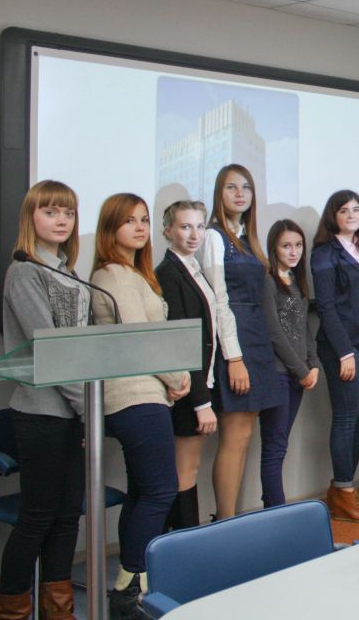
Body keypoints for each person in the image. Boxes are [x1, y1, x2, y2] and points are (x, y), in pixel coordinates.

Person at [90, 193, 190, 620]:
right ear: (110, 227)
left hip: (147, 392)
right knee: (161, 490)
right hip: (134, 395)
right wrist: (176, 378)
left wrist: (171, 379)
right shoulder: (114, 274)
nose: (139, 227)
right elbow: (139, 338)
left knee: (144, 491)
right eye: (129, 220)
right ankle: (128, 585)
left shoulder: (134, 273)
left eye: (144, 220)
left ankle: (131, 583)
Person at [0, 181, 88, 620]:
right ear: (31, 218)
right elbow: (50, 347)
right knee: (38, 516)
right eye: (51, 212)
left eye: (68, 212)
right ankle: (11, 609)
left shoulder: (68, 271)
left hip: (75, 411)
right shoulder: (24, 271)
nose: (61, 220)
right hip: (41, 414)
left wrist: (85, 409)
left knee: (68, 516)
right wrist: (88, 407)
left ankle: (58, 610)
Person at [202, 164, 282, 521]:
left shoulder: (248, 238)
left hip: (256, 336)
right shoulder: (213, 236)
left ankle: (229, 518)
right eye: (231, 187)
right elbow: (217, 301)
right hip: (233, 341)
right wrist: (234, 358)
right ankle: (225, 521)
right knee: (234, 437)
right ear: (219, 193)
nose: (239, 194)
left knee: (245, 434)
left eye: (246, 187)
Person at [312, 189, 359, 522]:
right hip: (341, 348)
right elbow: (326, 308)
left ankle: (341, 488)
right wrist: (344, 353)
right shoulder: (324, 254)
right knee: (346, 416)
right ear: (333, 216)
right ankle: (344, 490)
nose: (352, 215)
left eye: (356, 209)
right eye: (344, 210)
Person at [154, 200, 219, 531]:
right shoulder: (168, 272)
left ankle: (185, 541)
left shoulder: (192, 267)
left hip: (200, 382)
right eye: (185, 226)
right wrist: (201, 402)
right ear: (168, 231)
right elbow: (183, 342)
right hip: (186, 389)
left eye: (199, 226)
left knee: (188, 468)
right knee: (185, 470)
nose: (194, 234)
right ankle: (184, 545)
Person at [260, 219, 319, 506]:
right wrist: (301, 370)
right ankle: (276, 510)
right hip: (278, 374)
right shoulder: (269, 281)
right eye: (286, 246)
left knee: (280, 445)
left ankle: (273, 506)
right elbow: (274, 332)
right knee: (274, 447)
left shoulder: (295, 280)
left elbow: (303, 327)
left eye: (298, 245)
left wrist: (313, 363)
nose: (293, 252)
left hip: (298, 375)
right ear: (274, 248)